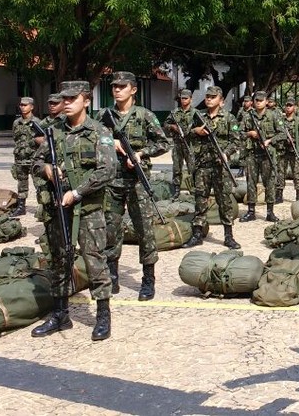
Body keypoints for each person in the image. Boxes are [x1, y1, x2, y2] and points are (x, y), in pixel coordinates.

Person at [31, 81, 117, 341]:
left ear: (87, 101)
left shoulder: (98, 132)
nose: (66, 103)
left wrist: (77, 192)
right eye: (64, 99)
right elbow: (36, 162)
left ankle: (102, 316)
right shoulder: (53, 131)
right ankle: (60, 314)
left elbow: (108, 170)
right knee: (59, 259)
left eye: (72, 98)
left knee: (94, 260)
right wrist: (47, 170)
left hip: (88, 209)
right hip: (59, 208)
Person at [99, 72, 171, 300]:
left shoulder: (144, 115)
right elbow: (93, 141)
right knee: (111, 230)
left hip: (137, 182)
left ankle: (148, 279)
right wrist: (113, 143)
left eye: (122, 86)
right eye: (114, 87)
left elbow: (163, 143)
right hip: (112, 181)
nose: (117, 90)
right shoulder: (103, 116)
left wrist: (140, 153)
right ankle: (112, 277)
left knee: (145, 231)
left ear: (133, 89)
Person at [182, 86, 242, 249]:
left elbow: (236, 141)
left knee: (224, 200)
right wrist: (196, 131)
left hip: (220, 166)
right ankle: (197, 234)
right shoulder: (198, 116)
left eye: (213, 97)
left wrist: (226, 153)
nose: (209, 99)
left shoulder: (229, 118)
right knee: (200, 199)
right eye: (207, 96)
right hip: (202, 164)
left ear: (221, 101)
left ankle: (228, 236)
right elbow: (185, 132)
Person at [240, 90, 284, 222]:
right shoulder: (248, 116)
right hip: (252, 154)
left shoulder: (273, 116)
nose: (258, 102)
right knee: (251, 182)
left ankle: (270, 212)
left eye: (261, 100)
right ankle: (251, 211)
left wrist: (270, 141)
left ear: (266, 102)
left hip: (267, 154)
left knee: (269, 182)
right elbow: (238, 132)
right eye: (256, 100)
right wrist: (250, 134)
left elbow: (282, 134)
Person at [163, 88, 198, 199]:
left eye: (185, 98)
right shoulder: (175, 112)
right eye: (182, 98)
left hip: (190, 145)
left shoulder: (195, 113)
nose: (183, 100)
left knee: (192, 168)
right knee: (176, 168)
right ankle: (176, 190)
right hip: (178, 144)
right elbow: (165, 124)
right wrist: (172, 127)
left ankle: (193, 190)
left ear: (191, 99)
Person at [11, 97, 39, 216]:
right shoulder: (16, 123)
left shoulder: (38, 122)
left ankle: (43, 208)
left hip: (33, 158)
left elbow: (42, 141)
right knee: (21, 184)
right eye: (21, 105)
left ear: (31, 107)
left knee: (39, 184)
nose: (22, 107)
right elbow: (15, 138)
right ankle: (21, 207)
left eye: (25, 105)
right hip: (20, 159)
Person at [276, 97, 299, 203]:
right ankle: (279, 194)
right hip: (283, 150)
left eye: (290, 106)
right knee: (280, 172)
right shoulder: (280, 121)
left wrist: (295, 141)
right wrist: (283, 139)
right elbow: (277, 134)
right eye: (287, 106)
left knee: (296, 173)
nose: (288, 108)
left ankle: (298, 195)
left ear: (294, 107)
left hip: (294, 151)